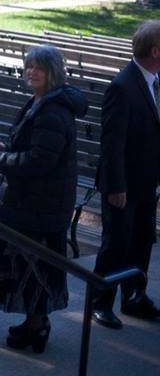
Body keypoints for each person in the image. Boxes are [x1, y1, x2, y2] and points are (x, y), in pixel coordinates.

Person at [0, 45, 87, 353]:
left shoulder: (53, 110)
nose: (31, 72)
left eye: (38, 69)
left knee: (34, 269)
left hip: (39, 206)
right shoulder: (43, 101)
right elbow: (34, 149)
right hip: (33, 203)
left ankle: (37, 324)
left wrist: (2, 161)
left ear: (53, 73)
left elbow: (40, 160)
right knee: (30, 268)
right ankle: (34, 323)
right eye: (28, 66)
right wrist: (7, 150)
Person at [92, 20, 160, 329]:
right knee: (116, 244)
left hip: (147, 183)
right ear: (155, 51)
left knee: (143, 239)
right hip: (123, 185)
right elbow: (112, 143)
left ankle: (134, 296)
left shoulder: (154, 80)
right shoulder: (122, 86)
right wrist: (116, 187)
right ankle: (100, 302)